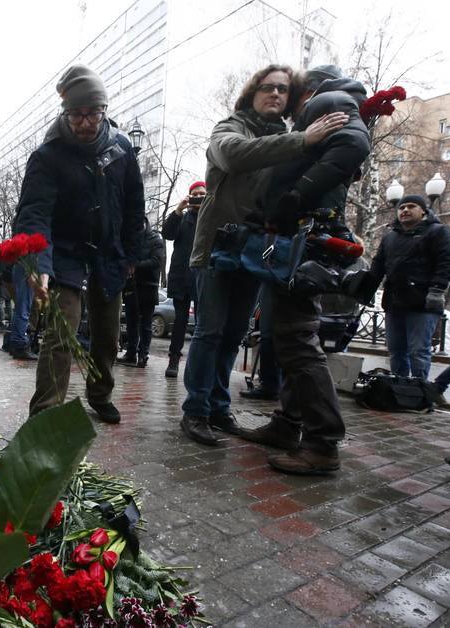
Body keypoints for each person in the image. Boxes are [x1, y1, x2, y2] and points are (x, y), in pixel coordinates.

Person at [179, 63, 348, 446]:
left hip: (257, 251)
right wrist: (303, 140)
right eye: (267, 87)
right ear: (251, 93)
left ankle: (218, 408)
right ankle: (196, 411)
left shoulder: (291, 137)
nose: (275, 94)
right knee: (210, 332)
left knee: (235, 334)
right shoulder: (230, 127)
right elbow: (235, 156)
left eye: (283, 90)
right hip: (219, 248)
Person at [242, 65, 371, 475]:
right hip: (301, 237)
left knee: (297, 339)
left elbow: (352, 146)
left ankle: (322, 442)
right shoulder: (332, 104)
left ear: (308, 90)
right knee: (291, 336)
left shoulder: (329, 102)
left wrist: (296, 194)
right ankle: (289, 424)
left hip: (304, 238)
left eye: (292, 90)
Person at [14, 64, 145, 423]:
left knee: (106, 334)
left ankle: (100, 394)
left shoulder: (121, 148)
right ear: (65, 112)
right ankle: (45, 414)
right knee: (61, 332)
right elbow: (34, 213)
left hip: (109, 252)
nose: (85, 122)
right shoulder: (48, 155)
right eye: (76, 114)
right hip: (65, 253)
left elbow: (135, 203)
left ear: (104, 110)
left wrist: (132, 253)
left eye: (93, 113)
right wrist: (39, 265)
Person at [368, 194, 450, 380]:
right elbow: (378, 266)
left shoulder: (438, 232)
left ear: (423, 211)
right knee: (396, 350)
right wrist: (364, 288)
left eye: (411, 206)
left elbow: (447, 262)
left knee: (418, 351)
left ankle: (419, 392)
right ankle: (399, 390)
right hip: (394, 302)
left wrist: (436, 290)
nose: (405, 210)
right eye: (401, 208)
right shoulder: (390, 237)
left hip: (422, 302)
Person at [162, 181, 204, 378]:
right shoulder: (182, 219)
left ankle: (198, 367)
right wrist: (179, 210)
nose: (198, 198)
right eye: (195, 194)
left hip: (204, 276)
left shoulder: (211, 217)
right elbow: (167, 234)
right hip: (182, 277)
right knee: (180, 321)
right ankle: (173, 361)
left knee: (203, 323)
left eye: (202, 194)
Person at [118, 218, 165, 368]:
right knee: (131, 322)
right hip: (132, 286)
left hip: (148, 287)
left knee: (145, 323)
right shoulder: (131, 239)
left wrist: (135, 266)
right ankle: (130, 353)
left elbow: (156, 261)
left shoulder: (155, 240)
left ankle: (143, 354)